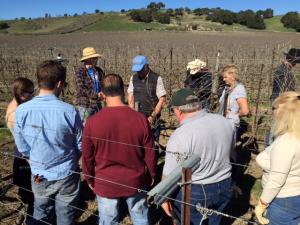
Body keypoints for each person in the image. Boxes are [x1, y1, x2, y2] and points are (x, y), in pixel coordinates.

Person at [82, 73, 157, 225]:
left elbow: (87, 157)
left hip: (105, 182)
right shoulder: (140, 119)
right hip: (135, 181)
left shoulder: (92, 123)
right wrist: (152, 174)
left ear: (102, 94)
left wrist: (89, 178)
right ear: (123, 90)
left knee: (108, 220)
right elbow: (150, 153)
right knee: (141, 218)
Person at [14, 60, 83, 225]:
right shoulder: (70, 111)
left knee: (41, 209)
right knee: (65, 215)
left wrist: (34, 160)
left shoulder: (21, 111)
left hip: (38, 174)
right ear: (60, 83)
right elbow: (80, 144)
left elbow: (22, 146)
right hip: (67, 173)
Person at [162, 88, 234, 225]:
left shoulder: (181, 134)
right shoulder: (225, 122)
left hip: (196, 190)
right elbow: (230, 153)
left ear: (178, 110)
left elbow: (169, 175)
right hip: (225, 183)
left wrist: (163, 198)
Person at [255, 91, 300, 225]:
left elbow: (276, 179)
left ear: (284, 114)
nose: (272, 112)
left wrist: (262, 203)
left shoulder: (286, 142)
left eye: (274, 108)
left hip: (282, 199)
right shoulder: (294, 136)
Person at [5, 77, 35, 220]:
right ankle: (29, 218)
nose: (33, 95)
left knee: (27, 190)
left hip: (20, 152)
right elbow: (26, 140)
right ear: (22, 93)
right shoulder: (16, 113)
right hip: (24, 157)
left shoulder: (15, 105)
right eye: (31, 92)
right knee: (29, 191)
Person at [127, 55, 166, 142]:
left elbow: (162, 99)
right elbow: (130, 95)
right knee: (138, 141)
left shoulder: (157, 78)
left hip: (152, 116)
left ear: (146, 66)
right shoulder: (133, 78)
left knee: (153, 141)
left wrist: (152, 116)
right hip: (137, 116)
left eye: (140, 69)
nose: (138, 72)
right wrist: (132, 113)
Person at [75, 47, 105, 124]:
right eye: (94, 58)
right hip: (85, 105)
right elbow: (81, 88)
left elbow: (103, 84)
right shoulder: (80, 71)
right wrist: (96, 95)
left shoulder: (99, 71)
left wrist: (103, 93)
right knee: (85, 127)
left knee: (99, 125)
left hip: (97, 104)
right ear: (89, 59)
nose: (96, 59)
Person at [219, 64, 249, 135]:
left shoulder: (239, 89)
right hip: (222, 123)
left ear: (233, 76)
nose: (223, 79)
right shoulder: (227, 88)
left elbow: (245, 111)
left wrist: (234, 115)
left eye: (225, 77)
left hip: (231, 126)